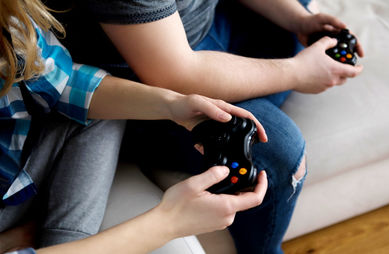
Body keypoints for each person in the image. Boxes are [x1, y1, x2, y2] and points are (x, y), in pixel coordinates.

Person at [46, 0, 365, 253]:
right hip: (143, 77)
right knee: (281, 155)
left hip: (208, 26)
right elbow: (174, 74)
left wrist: (298, 19)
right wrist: (297, 72)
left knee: (308, 25)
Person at [0, 0, 269, 253]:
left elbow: (58, 80)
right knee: (281, 154)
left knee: (106, 110)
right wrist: (169, 222)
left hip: (13, 173)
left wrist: (173, 105)